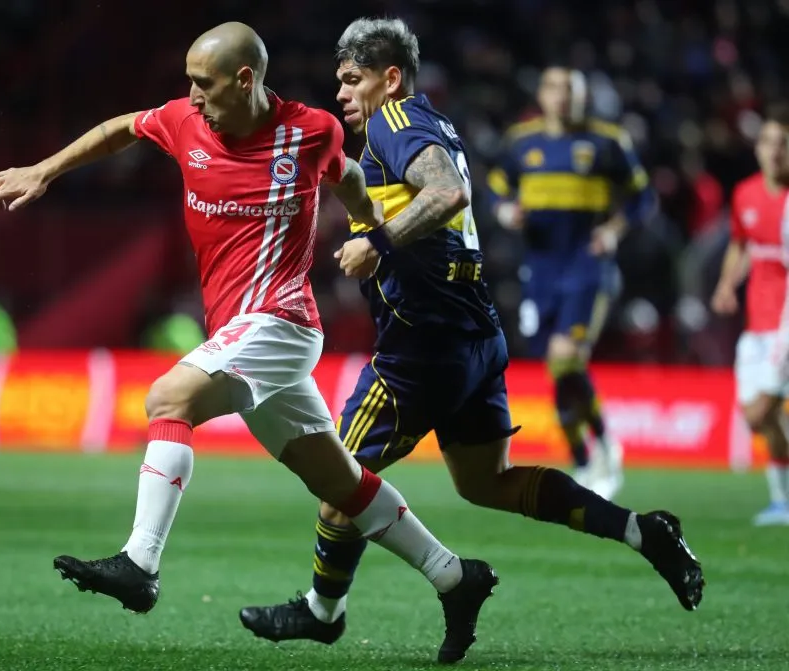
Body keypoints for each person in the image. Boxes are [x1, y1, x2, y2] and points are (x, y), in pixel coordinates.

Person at [0, 22, 498, 663]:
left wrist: (373, 229)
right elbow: (121, 128)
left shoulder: (310, 129)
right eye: (189, 84)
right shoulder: (181, 122)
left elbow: (345, 177)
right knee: (340, 483)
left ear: (245, 80)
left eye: (204, 84)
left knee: (169, 398)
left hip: (281, 321)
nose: (192, 97)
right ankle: (455, 576)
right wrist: (44, 169)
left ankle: (140, 562)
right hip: (237, 329)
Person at [237, 18, 704, 658]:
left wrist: (375, 241)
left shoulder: (394, 122)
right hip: (473, 336)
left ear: (390, 78)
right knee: (486, 483)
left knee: (338, 479)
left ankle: (329, 608)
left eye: (352, 80)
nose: (342, 93)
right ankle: (642, 531)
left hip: (422, 349)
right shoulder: (429, 125)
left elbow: (448, 191)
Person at [486, 67, 655, 499]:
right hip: (539, 269)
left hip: (586, 265)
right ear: (542, 95)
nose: (563, 97)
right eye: (555, 88)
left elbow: (643, 197)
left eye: (571, 90)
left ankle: (605, 447)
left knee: (565, 359)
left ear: (584, 96)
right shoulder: (522, 143)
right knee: (559, 370)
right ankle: (585, 458)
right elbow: (492, 190)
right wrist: (505, 212)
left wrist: (614, 229)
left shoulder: (606, 141)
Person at [712, 108, 789, 526]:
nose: (775, 151)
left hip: (786, 324)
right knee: (760, 417)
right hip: (756, 323)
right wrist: (727, 284)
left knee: (762, 411)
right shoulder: (745, 194)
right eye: (768, 142)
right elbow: (740, 245)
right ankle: (782, 502)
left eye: (783, 143)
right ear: (757, 149)